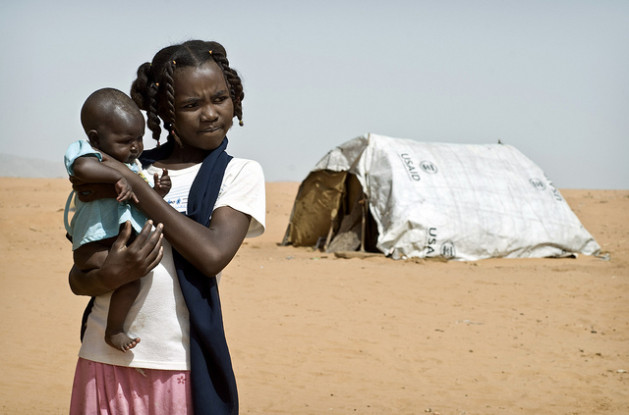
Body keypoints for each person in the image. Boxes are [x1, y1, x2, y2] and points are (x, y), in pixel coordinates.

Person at [68, 40, 266, 415]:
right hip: (102, 357)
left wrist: (136, 186)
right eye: (192, 105)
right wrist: (110, 274)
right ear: (164, 110)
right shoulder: (125, 165)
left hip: (176, 365)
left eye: (220, 98)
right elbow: (78, 278)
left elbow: (211, 255)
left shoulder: (238, 173)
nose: (210, 114)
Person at [64, 88, 171, 352]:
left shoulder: (134, 166)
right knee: (131, 279)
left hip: (114, 245)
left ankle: (114, 328)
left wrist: (158, 193)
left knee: (130, 277)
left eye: (139, 138)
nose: (135, 147)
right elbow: (81, 168)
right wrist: (116, 176)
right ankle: (114, 331)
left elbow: (139, 204)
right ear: (95, 138)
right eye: (125, 140)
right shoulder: (87, 152)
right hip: (94, 247)